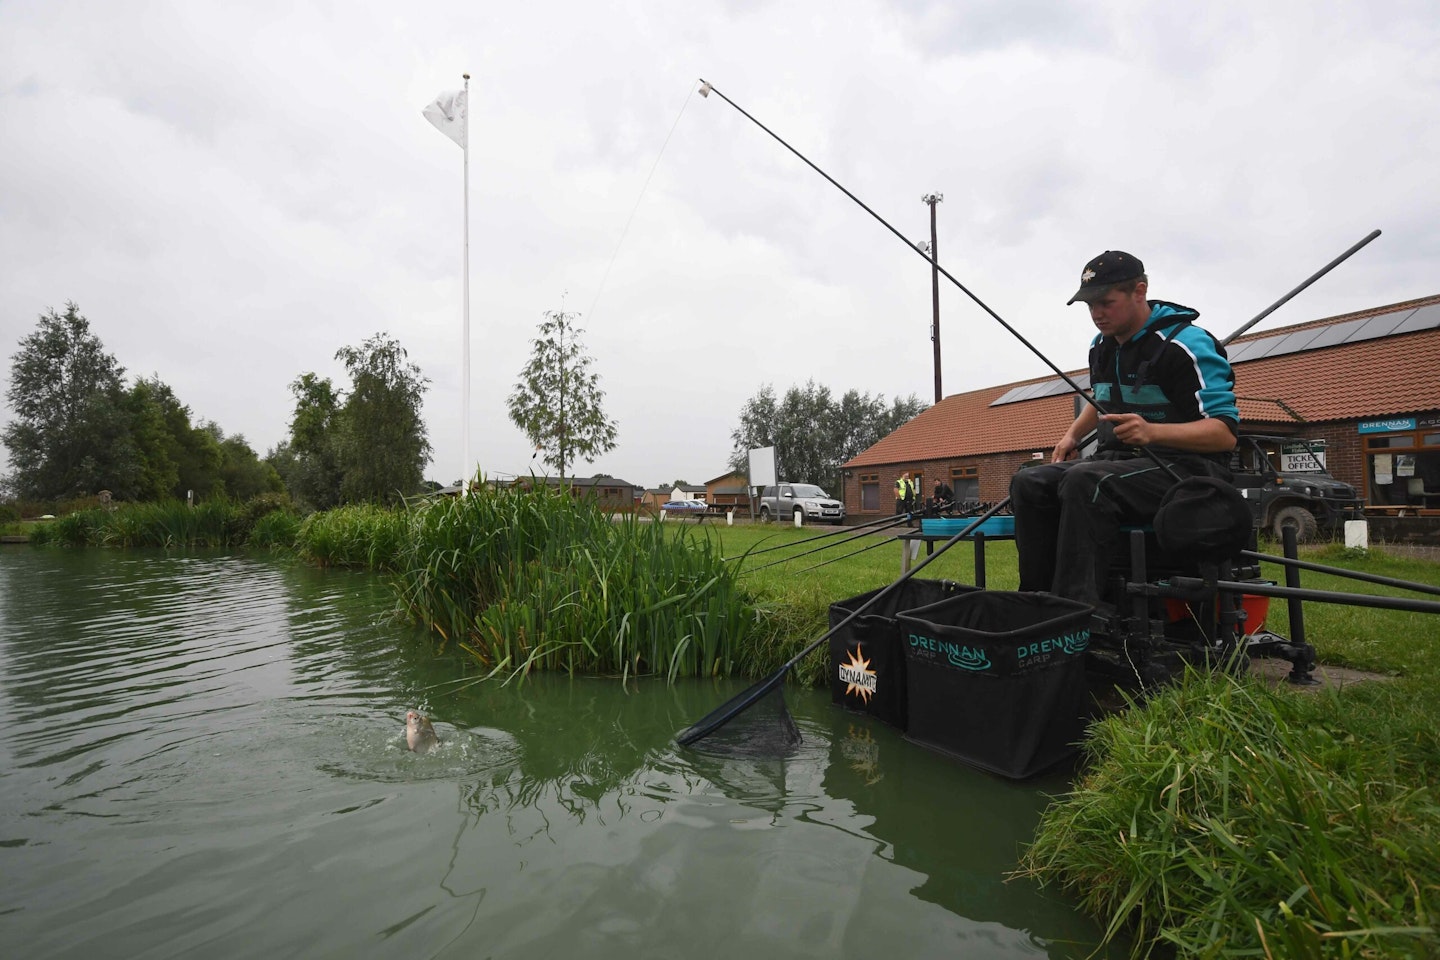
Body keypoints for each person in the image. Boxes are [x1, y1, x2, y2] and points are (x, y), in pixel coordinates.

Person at [1009, 250, 1239, 609]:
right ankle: (1035, 602)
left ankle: (1074, 611)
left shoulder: (1186, 345)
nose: (1097, 314)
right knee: (1030, 481)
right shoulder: (1101, 346)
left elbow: (1224, 434)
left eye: (1105, 302)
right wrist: (1072, 434)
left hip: (1189, 471)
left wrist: (1153, 433)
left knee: (1087, 481)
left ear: (1139, 291)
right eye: (1089, 306)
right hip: (1122, 462)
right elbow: (1103, 398)